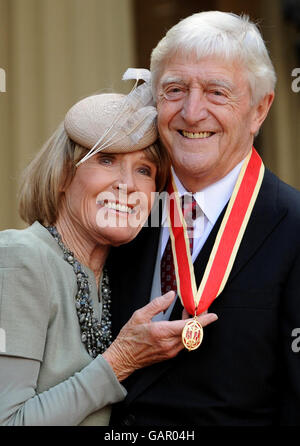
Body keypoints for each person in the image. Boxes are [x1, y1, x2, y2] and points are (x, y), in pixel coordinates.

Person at [109, 11, 300, 425]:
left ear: (259, 109)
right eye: (175, 90)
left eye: (217, 92)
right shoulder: (123, 210)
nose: (192, 113)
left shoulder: (295, 227)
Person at [0, 72, 218, 426]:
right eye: (106, 160)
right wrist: (120, 361)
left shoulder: (119, 274)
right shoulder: (20, 257)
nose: (127, 184)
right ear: (62, 176)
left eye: (144, 170)